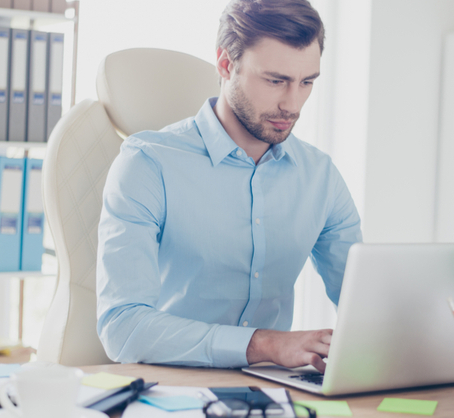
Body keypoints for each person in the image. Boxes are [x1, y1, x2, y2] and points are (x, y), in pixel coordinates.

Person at [96, 0, 361, 373]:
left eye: (307, 83)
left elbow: (366, 305)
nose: (292, 103)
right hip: (171, 388)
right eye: (275, 81)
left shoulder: (320, 176)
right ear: (225, 64)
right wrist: (264, 343)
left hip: (271, 393)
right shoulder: (147, 163)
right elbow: (122, 328)